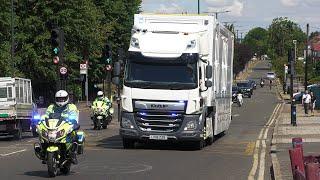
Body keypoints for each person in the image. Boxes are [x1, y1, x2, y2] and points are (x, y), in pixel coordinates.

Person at [43, 90, 80, 163]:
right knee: (43, 134)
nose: (61, 100)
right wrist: (41, 120)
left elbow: (74, 118)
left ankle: (73, 154)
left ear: (67, 98)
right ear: (56, 99)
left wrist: (73, 122)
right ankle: (43, 152)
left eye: (63, 98)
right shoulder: (51, 107)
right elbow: (46, 116)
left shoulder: (71, 107)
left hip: (66, 126)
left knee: (75, 135)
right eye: (59, 99)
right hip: (53, 127)